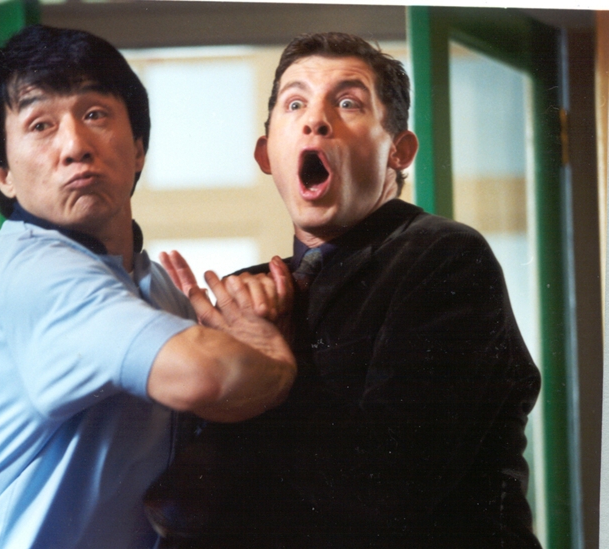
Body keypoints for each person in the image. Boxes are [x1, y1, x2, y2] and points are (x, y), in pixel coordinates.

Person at [144, 32, 542, 549]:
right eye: (295, 104)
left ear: (399, 151)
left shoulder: (444, 257)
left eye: (349, 102)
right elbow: (183, 509)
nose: (315, 119)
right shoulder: (248, 296)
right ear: (266, 154)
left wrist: (271, 371)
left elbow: (395, 488)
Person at [0, 25, 297, 549]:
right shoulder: (34, 274)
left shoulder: (150, 285)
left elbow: (222, 398)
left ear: (138, 149)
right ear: (4, 176)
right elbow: (205, 377)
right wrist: (274, 358)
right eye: (40, 125)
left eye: (94, 114)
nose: (74, 146)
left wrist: (248, 325)